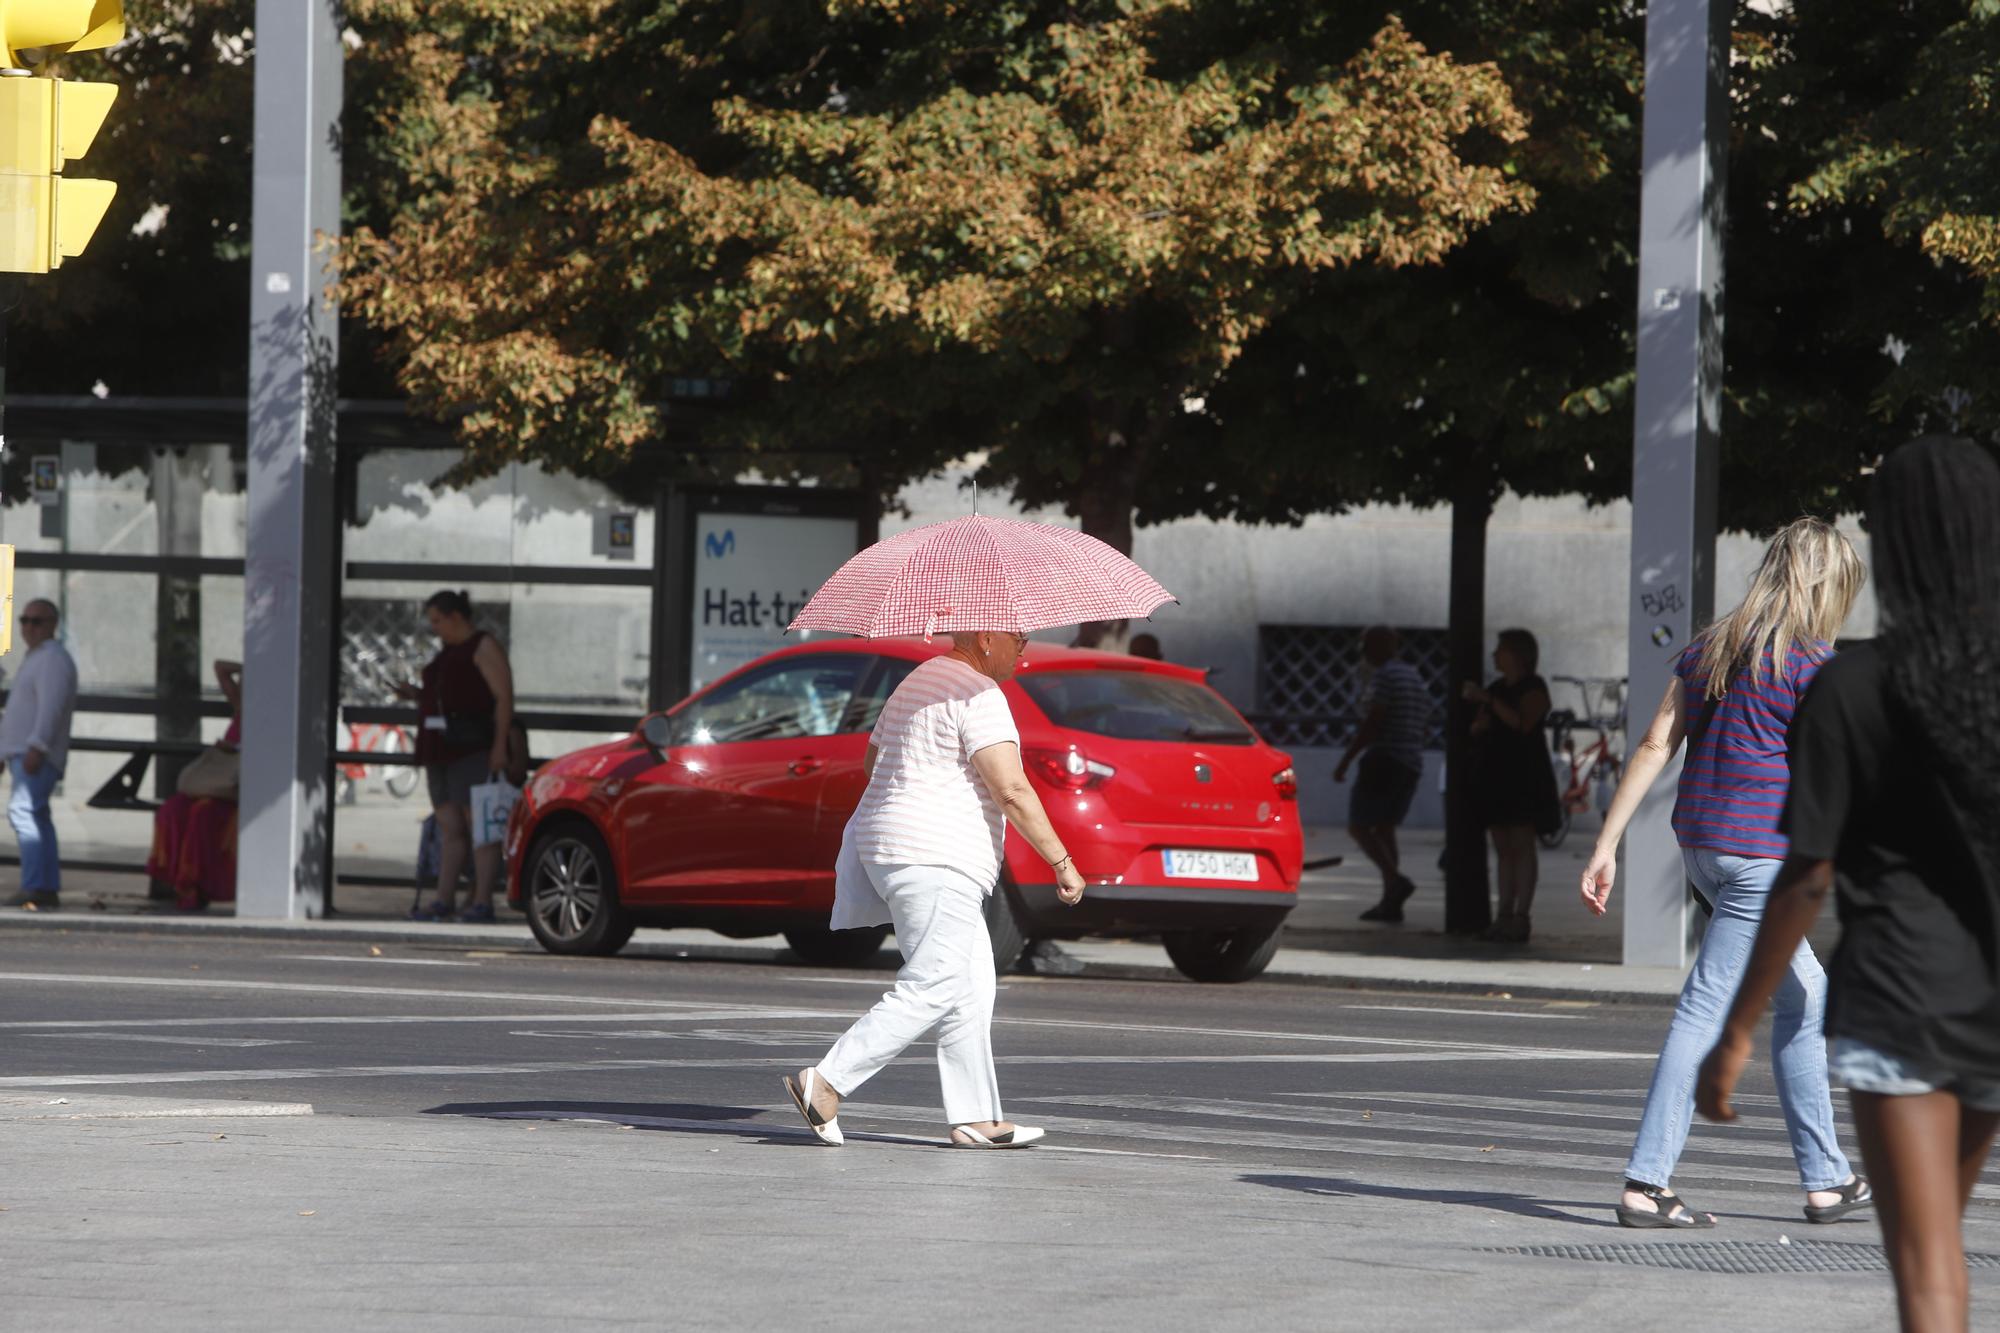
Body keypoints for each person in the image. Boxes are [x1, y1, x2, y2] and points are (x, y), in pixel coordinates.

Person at [1700, 438, 2000, 1331]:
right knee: (1943, 1240)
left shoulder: (1853, 684)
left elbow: (1808, 874)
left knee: (1928, 1276)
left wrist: (1739, 1027)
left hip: (1900, 1001)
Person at [1582, 518, 1869, 1230]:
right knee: (1705, 1010)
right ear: (1825, 587)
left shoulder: (1711, 648)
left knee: (1806, 997)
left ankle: (1829, 1179)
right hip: (1762, 860)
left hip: (1704, 852)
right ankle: (1647, 1182)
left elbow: (1654, 743)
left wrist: (1606, 844)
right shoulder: (1811, 666)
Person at [785, 630, 1088, 1148]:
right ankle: (829, 1081)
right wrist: (1062, 861)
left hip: (894, 847)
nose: (1024, 651)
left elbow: (872, 762)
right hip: (938, 853)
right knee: (935, 982)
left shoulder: (915, 682)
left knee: (971, 984)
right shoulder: (979, 693)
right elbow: (1010, 789)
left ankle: (975, 1117)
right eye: (1019, 639)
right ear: (987, 637)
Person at [398, 590, 514, 923]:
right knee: (450, 825)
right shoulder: (448, 652)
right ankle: (444, 898)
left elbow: (503, 697)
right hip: (440, 749)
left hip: (470, 747)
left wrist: (499, 746)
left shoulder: (483, 646)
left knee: (479, 823)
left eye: (437, 621)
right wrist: (417, 696)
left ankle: (482, 900)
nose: (435, 628)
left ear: (455, 617)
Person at [1462, 628, 1554, 942]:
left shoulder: (1533, 687)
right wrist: (1480, 724)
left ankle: (1520, 916)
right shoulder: (1497, 687)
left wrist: (1489, 700)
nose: (1495, 655)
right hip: (1497, 773)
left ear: (1517, 654)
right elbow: (1480, 726)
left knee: (1522, 844)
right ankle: (1502, 914)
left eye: (1501, 649)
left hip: (1524, 774)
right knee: (1502, 847)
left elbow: (1522, 722)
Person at [1337, 627, 1431, 923]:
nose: (1362, 651)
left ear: (1378, 646)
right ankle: (1391, 900)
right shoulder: (1412, 675)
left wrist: (1346, 760)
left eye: (1365, 644)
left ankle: (1395, 880)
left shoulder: (1385, 676)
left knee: (1360, 827)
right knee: (1385, 828)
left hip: (1385, 759)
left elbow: (1373, 721)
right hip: (1409, 761)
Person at [146, 659, 243, 912]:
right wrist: (253, 668)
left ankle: (194, 886)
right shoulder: (242, 709)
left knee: (203, 815)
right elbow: (221, 667)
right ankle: (174, 881)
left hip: (233, 790)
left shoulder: (275, 716)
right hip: (215, 783)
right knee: (172, 809)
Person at [0, 600, 78, 910]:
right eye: (25, 620)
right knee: (36, 816)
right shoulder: (38, 658)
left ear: (52, 625)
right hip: (24, 752)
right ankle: (44, 885)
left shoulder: (52, 660)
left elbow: (50, 709)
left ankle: (35, 885)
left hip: (35, 754)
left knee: (24, 812)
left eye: (37, 621)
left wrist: (37, 746)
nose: (29, 627)